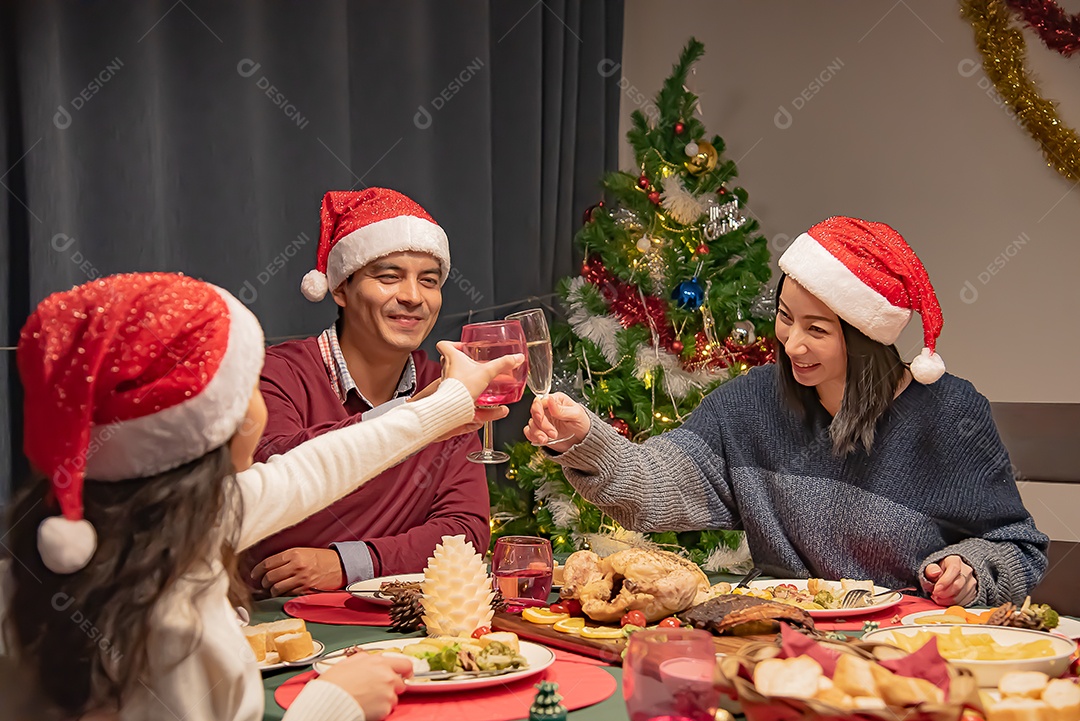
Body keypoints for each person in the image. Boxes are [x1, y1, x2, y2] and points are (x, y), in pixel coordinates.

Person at [1, 272, 522, 721]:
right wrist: (333, 701)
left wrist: (445, 406)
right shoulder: (169, 625)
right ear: (212, 422)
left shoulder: (174, 519)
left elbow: (320, 468)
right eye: (247, 383)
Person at [525, 216, 1048, 608]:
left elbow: (1018, 546)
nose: (792, 343)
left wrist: (970, 570)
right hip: (775, 636)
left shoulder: (951, 415)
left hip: (906, 650)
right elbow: (656, 487)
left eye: (817, 330)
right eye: (784, 317)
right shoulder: (753, 403)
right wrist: (584, 438)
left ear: (865, 338)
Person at [245, 188, 491, 596]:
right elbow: (272, 485)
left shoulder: (446, 386)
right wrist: (414, 414)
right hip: (277, 627)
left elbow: (462, 535)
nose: (413, 297)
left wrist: (350, 562)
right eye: (389, 276)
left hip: (402, 627)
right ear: (341, 289)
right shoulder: (278, 373)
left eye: (428, 281)